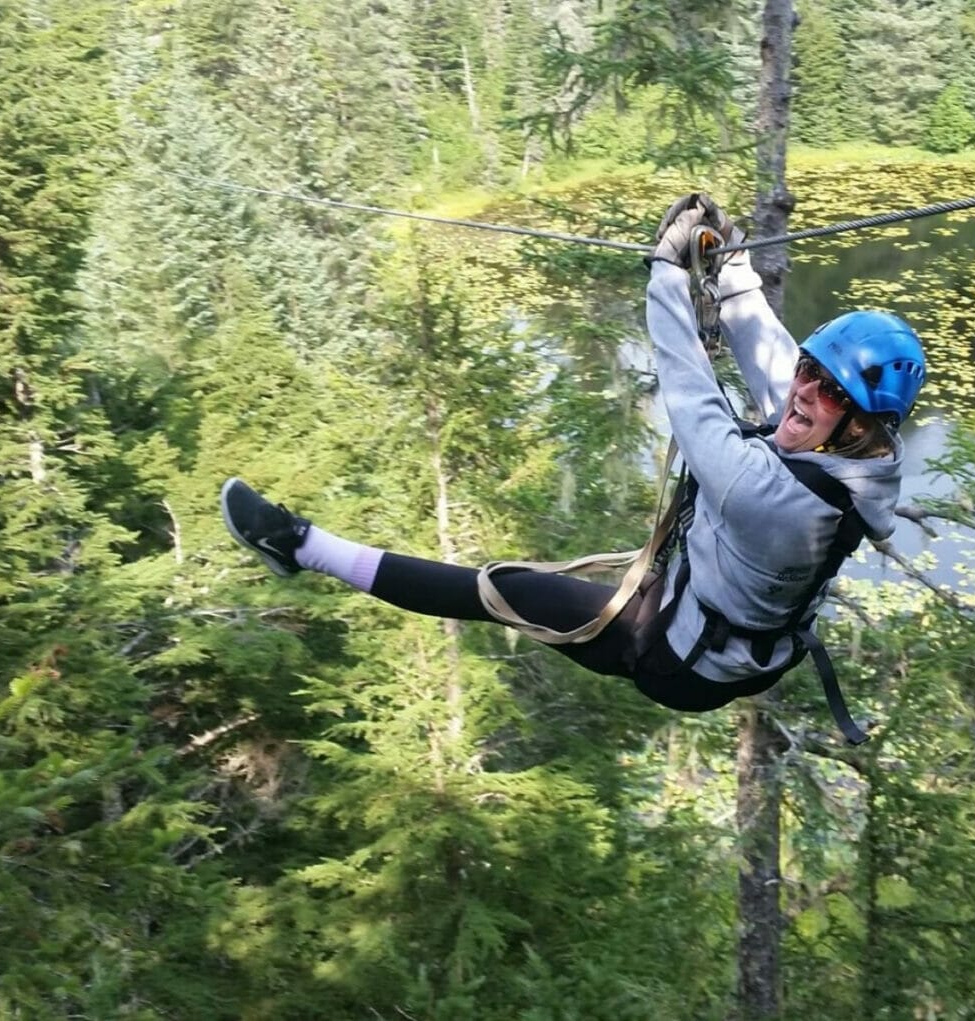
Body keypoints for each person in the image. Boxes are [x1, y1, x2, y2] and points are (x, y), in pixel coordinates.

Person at [220, 194, 926, 736]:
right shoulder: (852, 450)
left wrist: (666, 271)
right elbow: (771, 354)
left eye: (832, 391)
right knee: (514, 589)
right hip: (710, 620)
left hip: (677, 662)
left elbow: (691, 397)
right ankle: (302, 545)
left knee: (497, 590)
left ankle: (299, 545)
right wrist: (731, 266)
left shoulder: (777, 500)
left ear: (862, 422)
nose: (805, 391)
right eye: (811, 370)